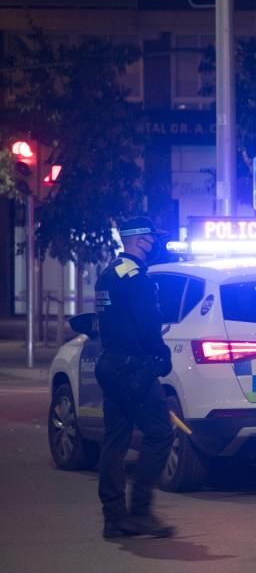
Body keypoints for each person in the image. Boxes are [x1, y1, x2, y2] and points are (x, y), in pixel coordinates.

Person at [94, 216, 176, 539]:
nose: (154, 244)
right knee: (160, 434)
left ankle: (114, 518)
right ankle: (140, 511)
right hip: (135, 368)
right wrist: (162, 354)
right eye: (151, 238)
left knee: (115, 441)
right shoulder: (137, 278)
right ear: (139, 240)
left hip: (110, 364)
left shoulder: (107, 275)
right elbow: (148, 324)